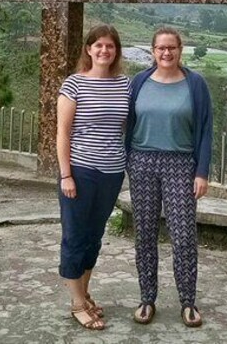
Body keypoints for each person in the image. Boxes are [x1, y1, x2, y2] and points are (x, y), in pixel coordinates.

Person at [125, 26, 213, 328]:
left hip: (181, 164)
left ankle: (188, 302)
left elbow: (205, 130)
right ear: (152, 51)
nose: (166, 53)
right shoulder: (138, 82)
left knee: (184, 235)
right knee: (145, 234)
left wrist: (201, 171)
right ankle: (147, 298)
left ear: (180, 50)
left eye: (171, 48)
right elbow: (126, 123)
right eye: (160, 48)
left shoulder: (195, 85)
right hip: (142, 161)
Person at [57, 24, 130, 331]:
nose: (104, 50)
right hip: (81, 171)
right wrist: (66, 175)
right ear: (88, 49)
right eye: (98, 45)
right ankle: (76, 303)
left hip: (113, 172)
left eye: (109, 46)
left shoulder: (124, 84)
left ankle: (85, 293)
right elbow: (63, 132)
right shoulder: (74, 84)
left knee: (95, 236)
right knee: (75, 235)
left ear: (116, 51)